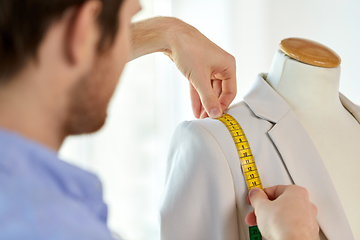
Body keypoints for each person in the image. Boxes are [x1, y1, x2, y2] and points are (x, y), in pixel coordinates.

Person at [0, 0, 319, 239]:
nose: (131, 35)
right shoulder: (56, 227)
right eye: (130, 22)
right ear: (82, 28)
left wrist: (167, 32)